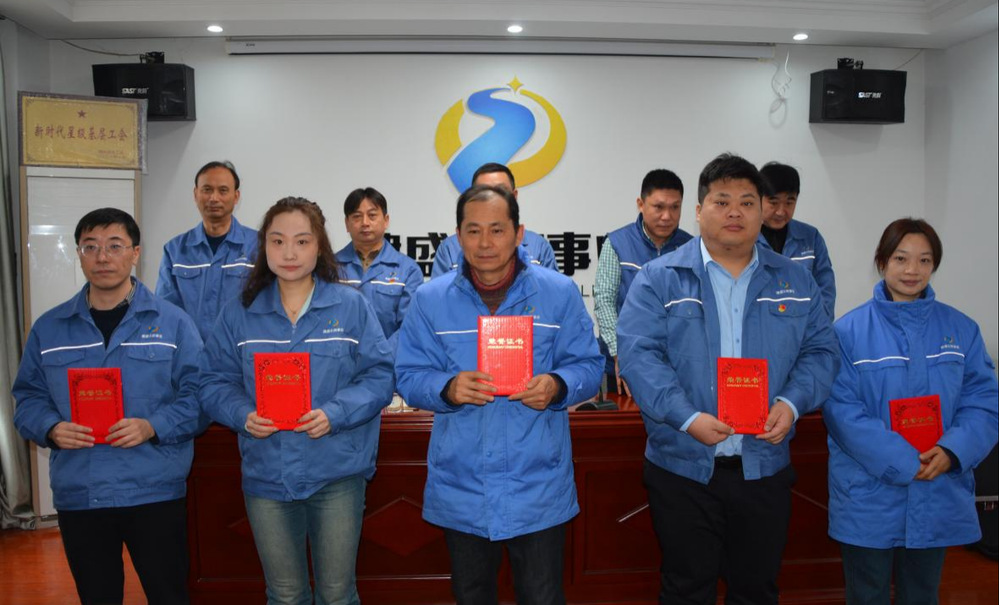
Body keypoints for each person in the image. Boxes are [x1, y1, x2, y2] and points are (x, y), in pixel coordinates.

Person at [617, 153, 838, 605]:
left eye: (747, 202)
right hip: (682, 466)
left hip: (764, 465)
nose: (735, 212)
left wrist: (792, 403)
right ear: (699, 212)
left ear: (762, 211)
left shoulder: (796, 280)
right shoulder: (660, 279)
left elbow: (821, 352)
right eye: (722, 201)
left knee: (756, 590)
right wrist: (686, 417)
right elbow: (640, 356)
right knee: (685, 589)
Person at [396, 185, 602, 604]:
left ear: (519, 233)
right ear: (457, 235)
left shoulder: (558, 293)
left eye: (497, 229)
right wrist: (447, 388)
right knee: (471, 595)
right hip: (463, 484)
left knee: (542, 596)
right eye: (473, 231)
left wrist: (557, 385)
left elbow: (589, 366)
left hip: (538, 484)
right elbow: (407, 374)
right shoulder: (430, 299)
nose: (485, 243)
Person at [198, 197, 394, 605]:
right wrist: (242, 414)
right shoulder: (240, 312)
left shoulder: (351, 306)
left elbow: (380, 375)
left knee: (337, 595)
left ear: (320, 247)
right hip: (267, 474)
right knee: (285, 595)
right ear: (264, 247)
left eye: (302, 241)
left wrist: (335, 413)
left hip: (336, 472)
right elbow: (213, 381)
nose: (289, 253)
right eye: (278, 241)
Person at [13, 208, 204, 605]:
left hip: (154, 490)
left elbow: (200, 395)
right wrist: (50, 428)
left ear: (135, 253)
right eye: (91, 247)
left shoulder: (173, 323)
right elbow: (28, 397)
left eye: (115, 246)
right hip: (81, 491)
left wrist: (153, 425)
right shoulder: (49, 328)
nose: (102, 257)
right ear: (79, 254)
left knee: (169, 595)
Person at [823, 218, 998, 605]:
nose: (912, 270)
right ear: (882, 261)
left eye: (924, 260)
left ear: (934, 265)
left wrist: (952, 451)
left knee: (921, 594)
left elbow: (984, 401)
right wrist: (904, 461)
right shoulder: (848, 332)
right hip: (869, 494)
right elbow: (842, 411)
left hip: (938, 486)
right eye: (901, 258)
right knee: (866, 594)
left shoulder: (961, 329)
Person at [593, 168, 692, 395]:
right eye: (658, 207)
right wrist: (620, 353)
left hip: (675, 367)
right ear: (641, 204)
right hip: (622, 365)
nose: (667, 216)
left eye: (675, 207)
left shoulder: (690, 248)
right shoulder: (617, 243)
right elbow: (605, 301)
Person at [156, 160, 257, 339]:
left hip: (241, 349)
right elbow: (166, 310)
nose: (214, 198)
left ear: (236, 196)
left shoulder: (259, 246)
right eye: (207, 189)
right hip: (190, 352)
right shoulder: (175, 251)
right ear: (196, 194)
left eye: (223, 190)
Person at [430, 163, 558, 277]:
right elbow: (439, 293)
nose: (492, 199)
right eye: (484, 192)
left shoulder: (539, 246)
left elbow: (551, 291)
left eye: (501, 191)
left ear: (514, 196)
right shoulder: (449, 248)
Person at [335, 187, 423, 351]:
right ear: (347, 223)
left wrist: (381, 355)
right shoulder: (330, 267)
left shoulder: (408, 270)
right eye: (357, 216)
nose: (365, 223)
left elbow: (410, 325)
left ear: (386, 220)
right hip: (340, 361)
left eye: (372, 215)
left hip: (390, 362)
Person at [757, 162, 836, 319]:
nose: (781, 211)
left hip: (805, 327)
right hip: (761, 328)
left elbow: (825, 290)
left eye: (789, 202)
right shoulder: (745, 239)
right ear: (758, 198)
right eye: (773, 202)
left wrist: (817, 327)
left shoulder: (811, 237)